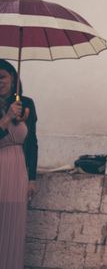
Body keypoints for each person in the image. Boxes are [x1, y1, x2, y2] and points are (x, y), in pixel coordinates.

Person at [0, 59, 38, 269]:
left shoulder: (27, 104)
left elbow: (32, 143)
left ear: (13, 77)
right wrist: (6, 118)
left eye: (2, 77)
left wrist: (32, 178)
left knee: (13, 223)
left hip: (17, 170)